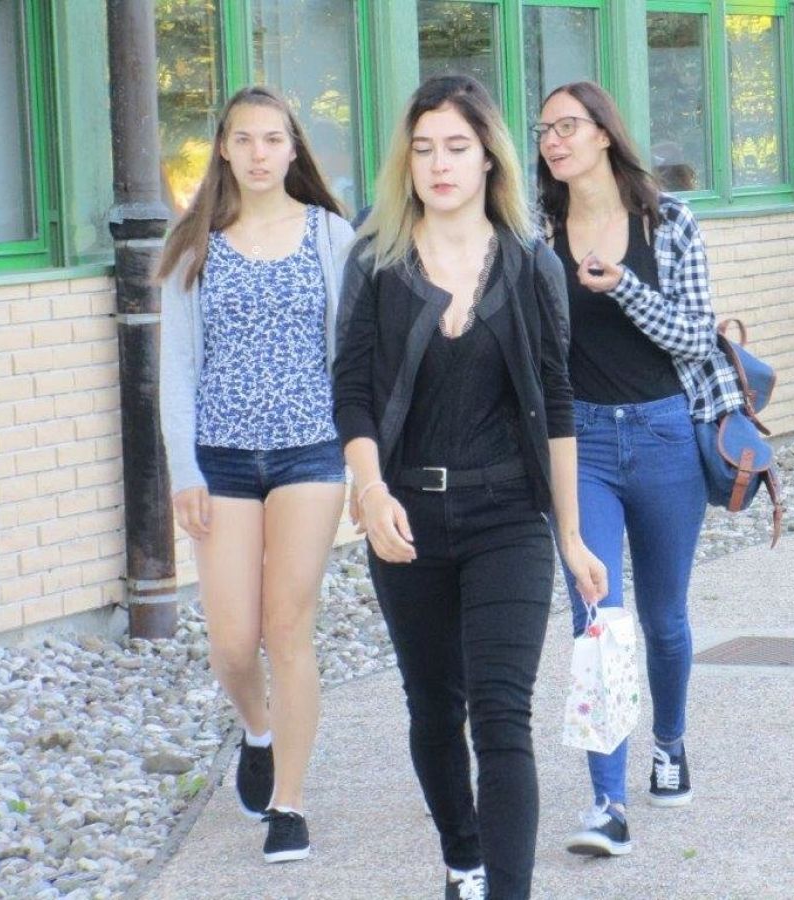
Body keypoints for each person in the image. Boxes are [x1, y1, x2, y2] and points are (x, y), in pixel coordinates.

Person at [333, 74, 606, 900]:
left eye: (457, 147)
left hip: (507, 516)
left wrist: (570, 535)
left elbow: (557, 401)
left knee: (501, 714)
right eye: (423, 149)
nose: (439, 164)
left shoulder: (530, 265)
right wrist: (369, 490)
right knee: (432, 707)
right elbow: (351, 390)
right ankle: (463, 859)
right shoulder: (376, 261)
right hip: (406, 516)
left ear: (489, 156)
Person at [534, 80, 746, 857]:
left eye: (567, 126)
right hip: (579, 444)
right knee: (598, 620)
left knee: (664, 619)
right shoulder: (536, 231)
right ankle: (607, 802)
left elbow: (694, 334)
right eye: (544, 130)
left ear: (603, 133)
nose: (553, 141)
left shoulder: (668, 220)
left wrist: (624, 286)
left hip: (664, 435)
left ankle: (670, 742)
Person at [158, 85, 355, 863]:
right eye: (243, 139)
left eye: (273, 139)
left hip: (311, 452)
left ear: (294, 148)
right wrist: (184, 471)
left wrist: (363, 459)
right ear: (224, 149)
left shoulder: (331, 236)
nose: (259, 153)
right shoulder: (195, 242)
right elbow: (177, 369)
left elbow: (351, 359)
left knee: (287, 628)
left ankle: (289, 804)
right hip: (223, 461)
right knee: (235, 643)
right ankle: (258, 730)